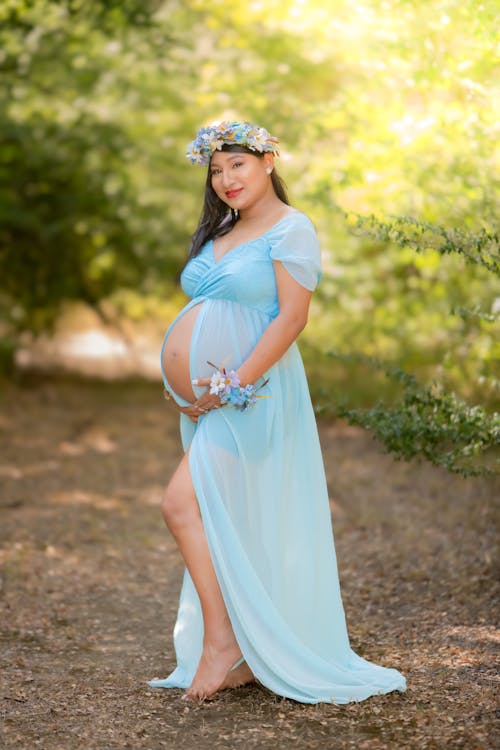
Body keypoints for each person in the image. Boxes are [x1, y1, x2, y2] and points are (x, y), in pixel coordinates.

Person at [148, 120, 406, 703]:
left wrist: (233, 383)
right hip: (210, 400)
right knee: (223, 514)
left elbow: (291, 319)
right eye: (216, 170)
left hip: (253, 394)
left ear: (268, 160)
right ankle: (238, 643)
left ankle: (223, 642)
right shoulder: (224, 230)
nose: (225, 178)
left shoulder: (293, 229)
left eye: (237, 164)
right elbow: (209, 311)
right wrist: (183, 383)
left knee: (181, 504)